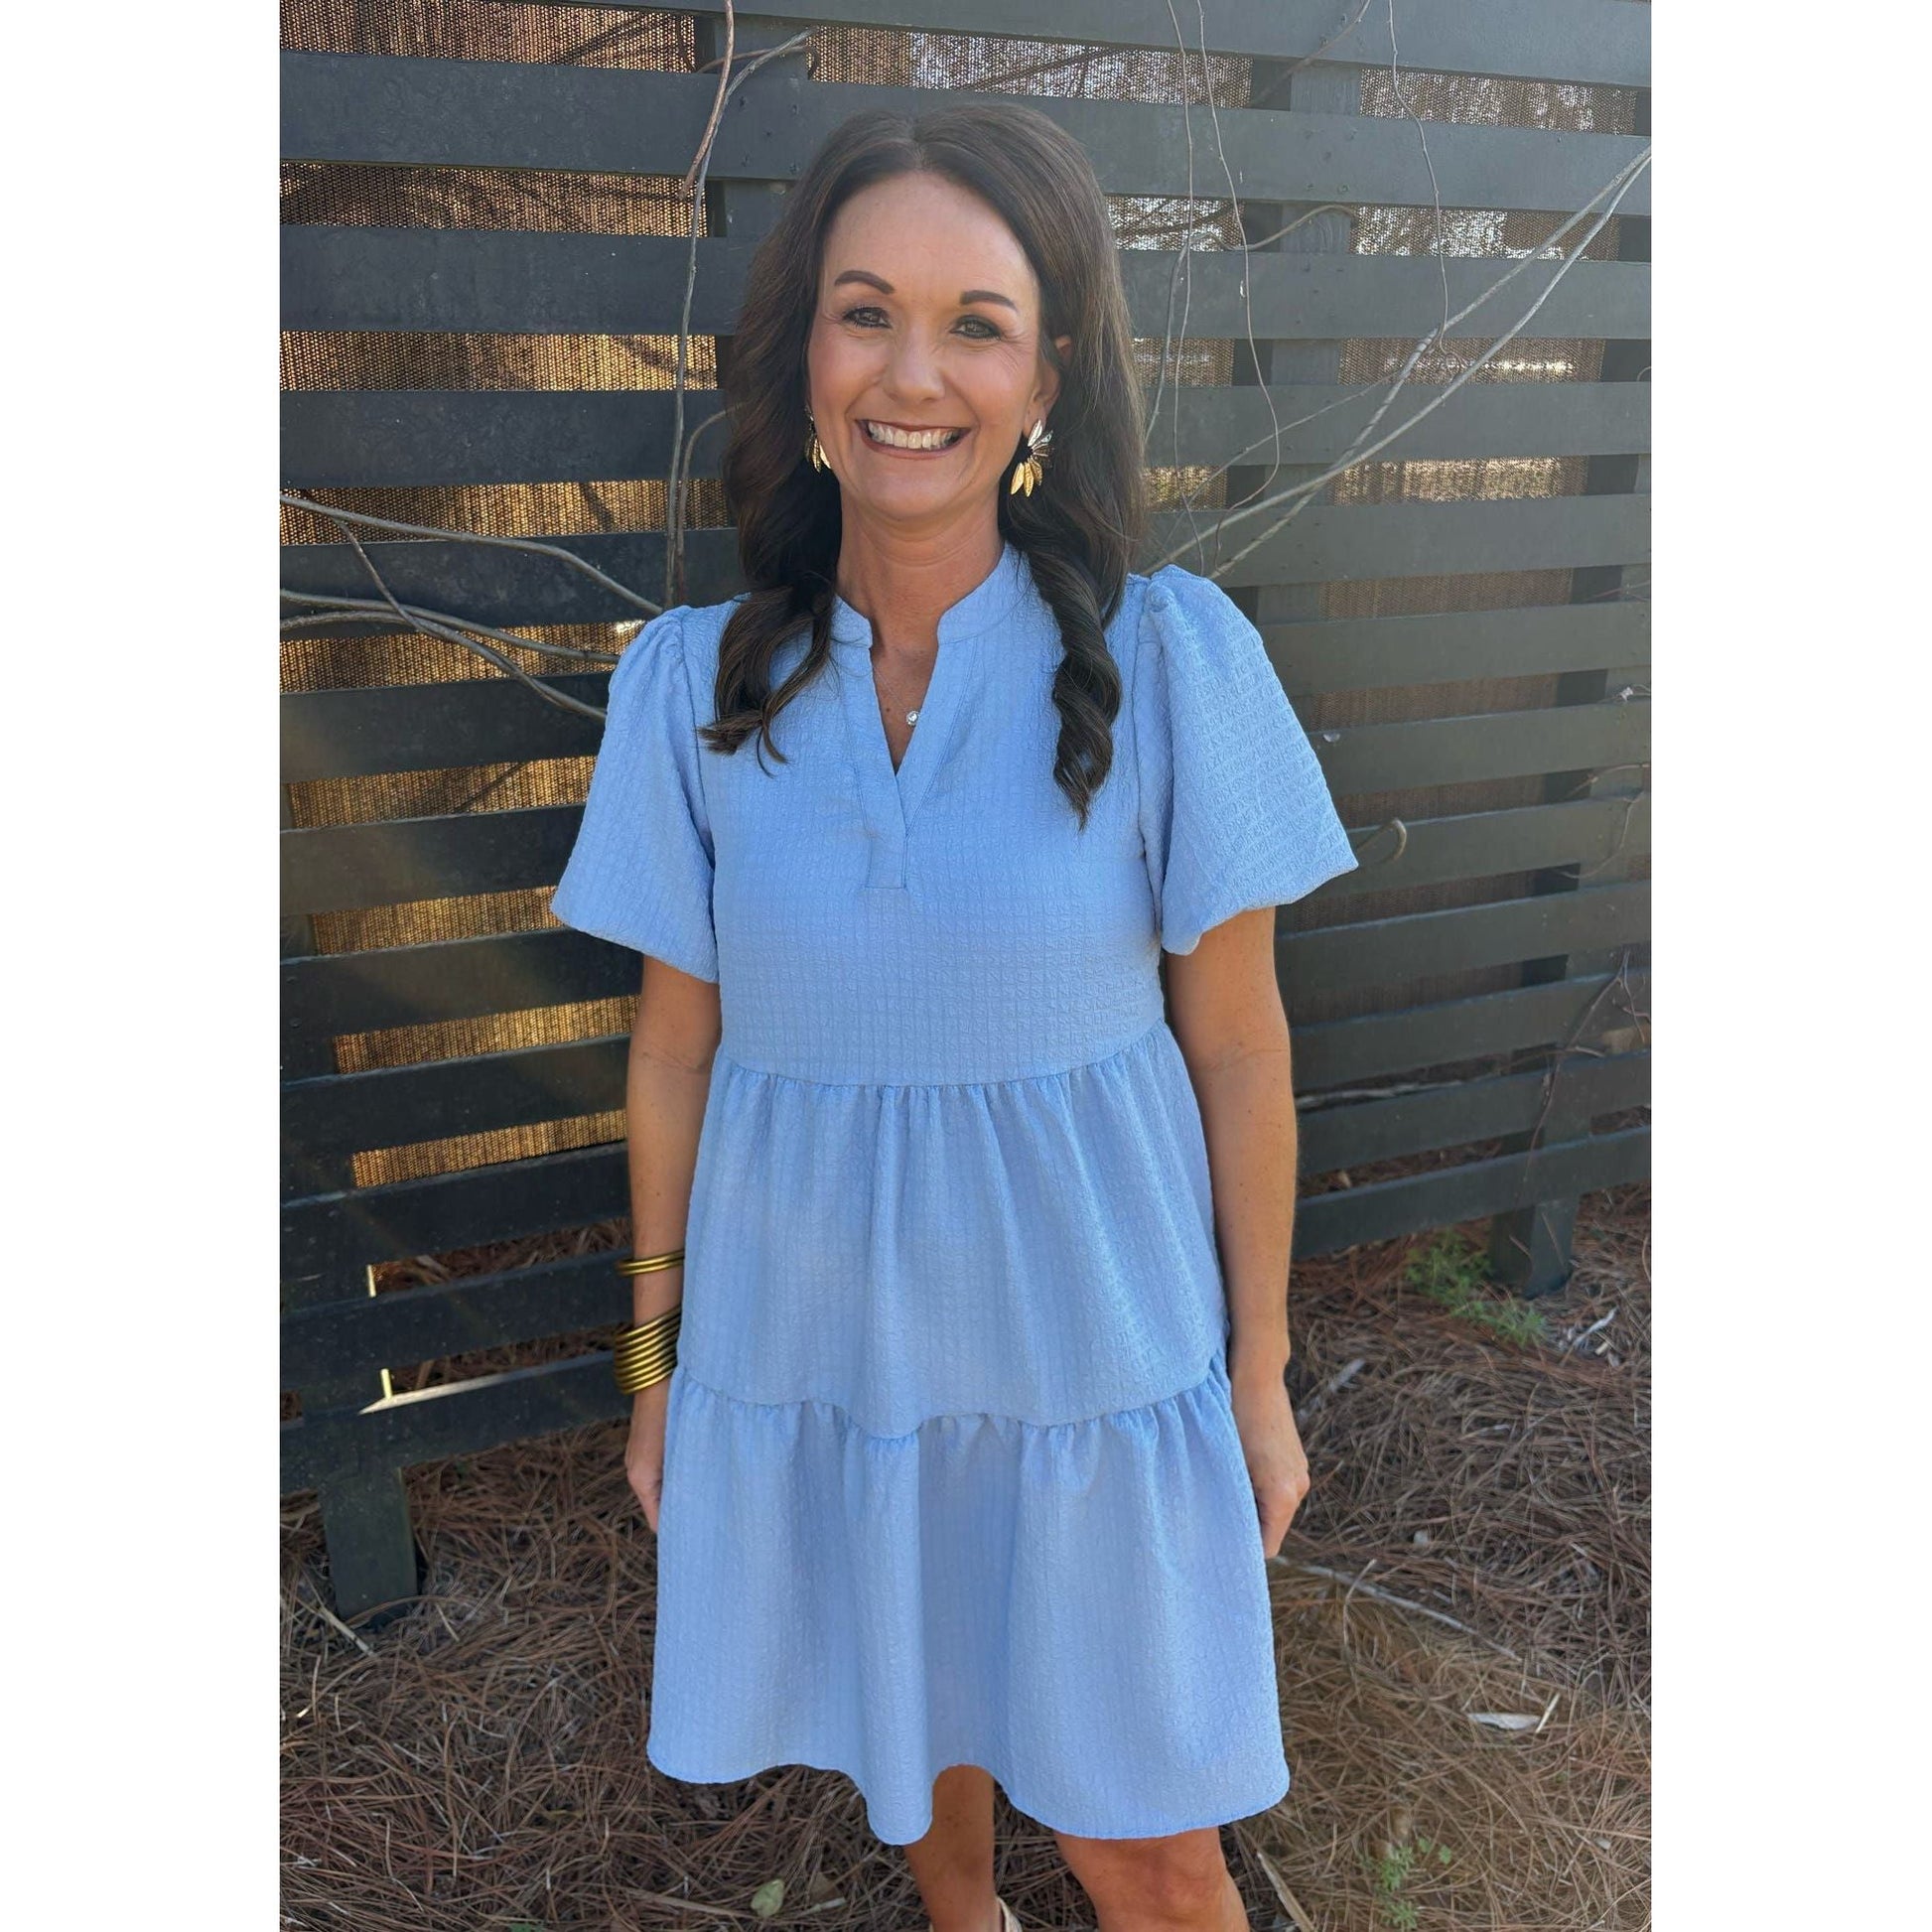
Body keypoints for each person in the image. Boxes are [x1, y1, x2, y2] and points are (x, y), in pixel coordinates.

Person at [551, 98, 1358, 1932]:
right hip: (830, 1367)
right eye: (864, 311)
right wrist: (655, 1375)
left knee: (1153, 1849)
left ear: (1047, 372)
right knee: (915, 1769)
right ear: (806, 351)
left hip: (1096, 1365)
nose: (911, 373)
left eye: (974, 322)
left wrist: (1256, 1371)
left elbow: (1238, 1050)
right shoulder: (690, 686)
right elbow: (673, 1052)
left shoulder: (1167, 658)